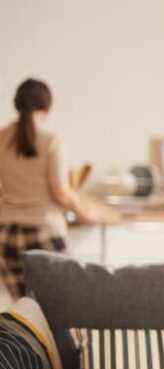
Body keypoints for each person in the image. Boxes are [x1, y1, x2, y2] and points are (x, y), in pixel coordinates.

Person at [0, 78, 94, 298]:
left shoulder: (1, 138)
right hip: (43, 231)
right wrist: (83, 213)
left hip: (5, 235)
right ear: (47, 107)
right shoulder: (50, 140)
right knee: (63, 304)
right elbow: (60, 191)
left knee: (24, 312)